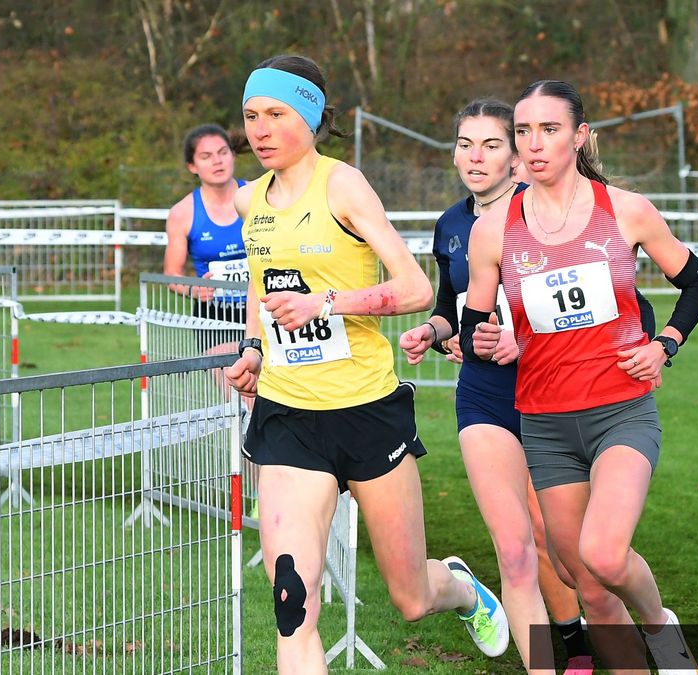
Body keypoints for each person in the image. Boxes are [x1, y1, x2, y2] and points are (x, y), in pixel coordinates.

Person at [223, 55, 536, 674]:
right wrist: (256, 347)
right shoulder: (246, 199)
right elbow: (264, 285)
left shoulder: (342, 185)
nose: (259, 130)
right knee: (293, 604)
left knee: (410, 597)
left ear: (310, 120)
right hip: (288, 416)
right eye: (251, 116)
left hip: (367, 410)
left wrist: (328, 304)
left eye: (276, 115)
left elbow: (417, 288)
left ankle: (463, 587)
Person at [461, 79, 698, 674]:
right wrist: (479, 338)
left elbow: (697, 283)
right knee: (583, 579)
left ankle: (662, 631)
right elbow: (476, 328)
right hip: (545, 424)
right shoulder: (492, 230)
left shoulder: (625, 210)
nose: (533, 143)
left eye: (549, 129)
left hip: (620, 411)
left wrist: (664, 345)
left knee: (603, 553)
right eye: (524, 131)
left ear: (580, 136)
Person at [400, 98, 592, 674]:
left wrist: (524, 344)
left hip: (550, 391)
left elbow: (603, 312)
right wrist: (432, 333)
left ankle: (589, 637)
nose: (475, 156)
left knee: (559, 543)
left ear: (515, 155)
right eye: (465, 144)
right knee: (514, 549)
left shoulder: (548, 215)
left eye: (490, 144)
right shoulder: (451, 225)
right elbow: (451, 308)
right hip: (482, 394)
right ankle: (547, 663)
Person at [163, 124, 249, 322]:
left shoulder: (261, 195)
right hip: (215, 314)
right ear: (192, 166)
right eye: (206, 156)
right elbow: (172, 274)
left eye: (222, 152)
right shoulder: (182, 213)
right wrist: (193, 289)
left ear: (233, 155)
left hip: (264, 308)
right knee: (229, 355)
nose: (217, 161)